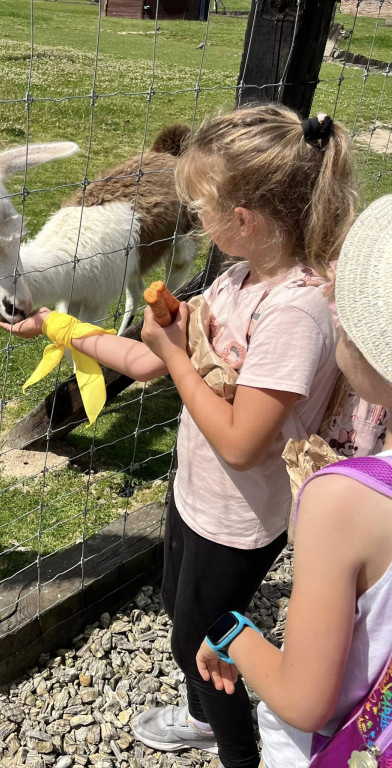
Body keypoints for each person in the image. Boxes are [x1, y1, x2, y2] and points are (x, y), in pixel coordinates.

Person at [0, 104, 356, 768]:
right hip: (196, 493)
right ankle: (199, 711)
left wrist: (180, 354)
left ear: (241, 220)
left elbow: (244, 442)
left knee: (204, 633)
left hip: (242, 517)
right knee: (175, 602)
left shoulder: (294, 314)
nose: (193, 219)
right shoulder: (235, 280)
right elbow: (144, 360)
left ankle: (236, 746)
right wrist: (56, 325)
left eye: (200, 206)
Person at [195, 194, 392, 767]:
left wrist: (233, 634)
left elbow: (305, 701)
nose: (327, 294)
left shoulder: (345, 501)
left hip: (340, 748)